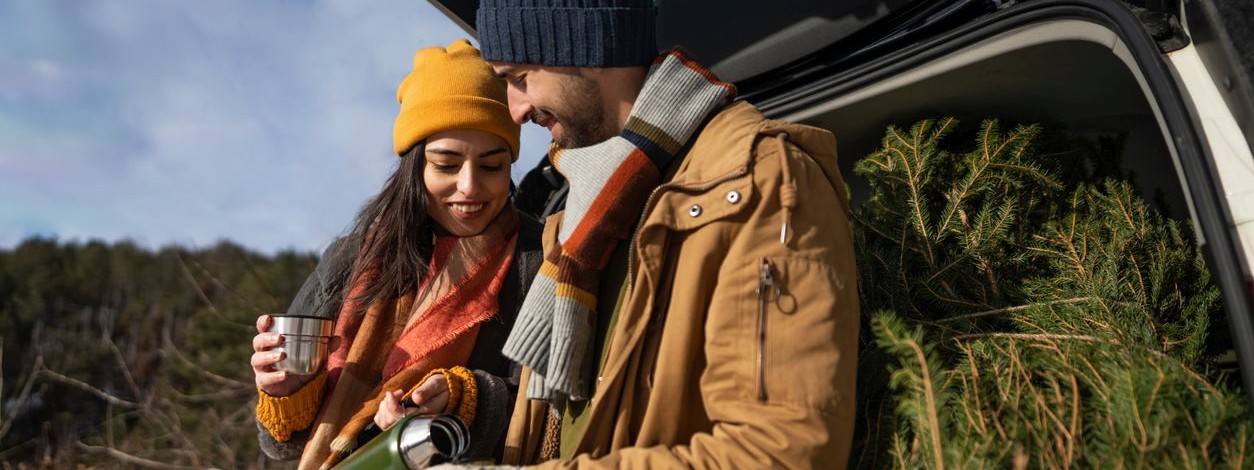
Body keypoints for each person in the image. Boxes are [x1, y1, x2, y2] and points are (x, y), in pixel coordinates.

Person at [471, 0, 861, 468]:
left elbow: (783, 450)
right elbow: (572, 422)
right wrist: (469, 404)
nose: (516, 110)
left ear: (585, 47)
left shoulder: (758, 179)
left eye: (519, 78)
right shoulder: (573, 221)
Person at [249, 39, 542, 470]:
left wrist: (461, 401)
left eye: (492, 165)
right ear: (415, 167)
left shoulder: (534, 258)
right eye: (446, 164)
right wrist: (285, 388)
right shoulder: (355, 258)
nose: (470, 186)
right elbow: (282, 446)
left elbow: (553, 413)